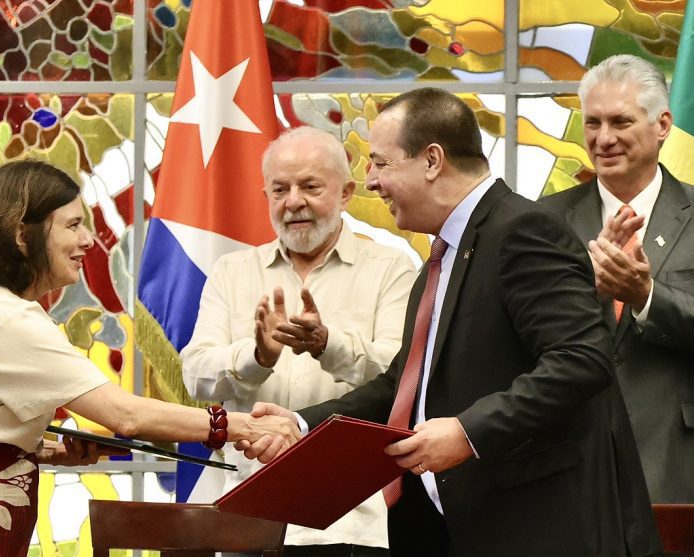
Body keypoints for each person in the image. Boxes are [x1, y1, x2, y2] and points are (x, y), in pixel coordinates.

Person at [239, 88, 662, 556]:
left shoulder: (522, 230)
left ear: (432, 160)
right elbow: (403, 388)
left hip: (536, 529)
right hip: (451, 529)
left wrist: (468, 431)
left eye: (380, 163)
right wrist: (300, 424)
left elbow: (581, 361)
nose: (372, 182)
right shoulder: (441, 258)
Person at [0, 160, 300, 556]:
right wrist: (243, 427)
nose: (87, 240)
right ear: (21, 236)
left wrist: (45, 450)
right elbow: (125, 416)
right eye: (73, 225)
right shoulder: (5, 318)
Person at [180, 126, 416, 556]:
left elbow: (404, 382)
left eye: (310, 187)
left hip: (352, 522)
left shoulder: (393, 269)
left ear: (346, 193)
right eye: (279, 189)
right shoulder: (231, 272)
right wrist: (257, 356)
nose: (293, 202)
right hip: (248, 516)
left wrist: (328, 345)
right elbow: (194, 375)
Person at [540, 54, 694, 504]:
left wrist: (646, 296)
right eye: (592, 123)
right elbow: (522, 338)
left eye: (620, 122)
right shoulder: (543, 221)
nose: (603, 139)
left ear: (662, 125)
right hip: (569, 465)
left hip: (676, 462)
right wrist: (585, 290)